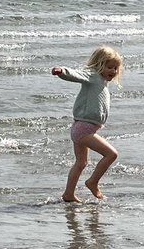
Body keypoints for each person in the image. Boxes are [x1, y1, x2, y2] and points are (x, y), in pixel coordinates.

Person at [52, 46, 123, 202]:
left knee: (81, 163)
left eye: (116, 68)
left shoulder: (102, 82)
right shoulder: (94, 76)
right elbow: (77, 74)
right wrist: (62, 71)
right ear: (99, 65)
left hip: (82, 128)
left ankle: (68, 194)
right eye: (109, 67)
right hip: (84, 129)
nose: (113, 71)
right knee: (111, 154)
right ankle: (92, 182)